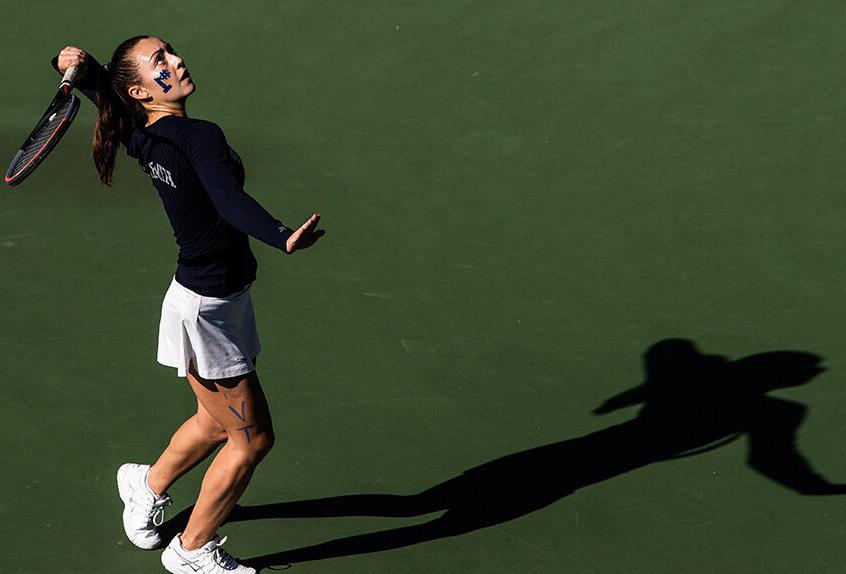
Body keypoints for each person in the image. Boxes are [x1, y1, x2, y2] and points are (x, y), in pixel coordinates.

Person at [54, 36, 324, 574]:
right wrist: (280, 235)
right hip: (209, 312)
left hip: (203, 302)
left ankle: (145, 485)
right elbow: (227, 200)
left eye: (170, 53)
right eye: (161, 61)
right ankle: (192, 550)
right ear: (140, 90)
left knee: (211, 421)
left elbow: (114, 99)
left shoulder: (142, 134)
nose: (176, 61)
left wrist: (83, 76)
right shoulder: (199, 136)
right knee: (250, 441)